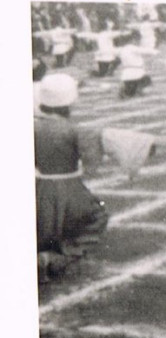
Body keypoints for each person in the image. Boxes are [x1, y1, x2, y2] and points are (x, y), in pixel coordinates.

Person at [35, 74, 109, 283]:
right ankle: (62, 256)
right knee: (96, 216)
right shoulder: (75, 129)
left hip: (39, 184)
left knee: (42, 223)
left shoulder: (32, 127)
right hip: (69, 185)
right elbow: (92, 163)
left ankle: (40, 255)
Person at [117, 34, 159, 99]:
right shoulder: (132, 48)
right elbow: (147, 51)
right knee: (147, 81)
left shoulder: (123, 49)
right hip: (137, 74)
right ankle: (137, 91)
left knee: (129, 93)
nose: (138, 42)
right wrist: (157, 52)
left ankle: (126, 91)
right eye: (138, 40)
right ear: (133, 40)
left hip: (126, 75)